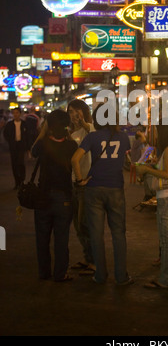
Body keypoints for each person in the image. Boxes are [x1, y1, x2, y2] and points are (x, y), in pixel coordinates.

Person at [71, 103, 132, 286]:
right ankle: (121, 277)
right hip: (115, 189)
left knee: (96, 234)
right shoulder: (123, 138)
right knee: (118, 234)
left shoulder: (92, 137)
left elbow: (75, 159)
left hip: (93, 189)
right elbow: (127, 160)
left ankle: (100, 275)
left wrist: (80, 180)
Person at [31, 110, 78, 282]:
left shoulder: (42, 144)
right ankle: (60, 274)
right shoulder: (71, 146)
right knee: (62, 238)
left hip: (42, 196)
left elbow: (32, 152)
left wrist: (44, 132)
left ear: (48, 126)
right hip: (64, 197)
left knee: (42, 238)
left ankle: (44, 272)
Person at [136, 124, 168, 289]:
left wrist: (147, 169)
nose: (155, 134)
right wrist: (154, 165)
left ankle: (164, 279)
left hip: (167, 199)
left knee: (167, 242)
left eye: (157, 131)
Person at [67, 99, 95, 276]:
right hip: (73, 182)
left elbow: (92, 132)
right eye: (70, 112)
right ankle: (87, 257)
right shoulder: (71, 132)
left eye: (76, 112)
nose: (73, 116)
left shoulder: (90, 130)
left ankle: (94, 261)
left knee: (86, 223)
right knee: (77, 224)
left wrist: (84, 122)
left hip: (86, 181)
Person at [3, 107, 30, 189]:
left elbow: (28, 136)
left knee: (21, 163)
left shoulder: (24, 124)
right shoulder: (9, 124)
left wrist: (28, 147)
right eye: (14, 113)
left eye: (17, 113)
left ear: (20, 114)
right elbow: (5, 134)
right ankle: (17, 182)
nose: (15, 114)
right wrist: (10, 141)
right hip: (13, 146)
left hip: (22, 146)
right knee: (14, 164)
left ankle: (22, 180)